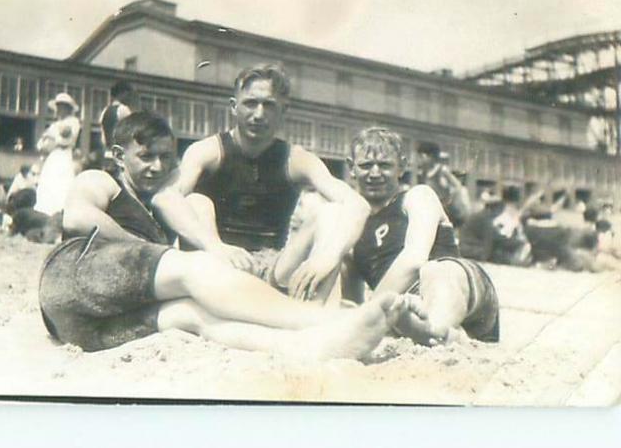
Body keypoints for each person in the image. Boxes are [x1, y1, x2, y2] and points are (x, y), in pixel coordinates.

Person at [43, 111, 408, 358]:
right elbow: (77, 217)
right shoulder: (102, 180)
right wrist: (152, 251)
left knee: (197, 318)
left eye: (166, 157)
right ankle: (323, 320)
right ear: (120, 156)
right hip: (73, 279)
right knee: (194, 267)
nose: (158, 166)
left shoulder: (155, 208)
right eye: (146, 156)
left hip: (91, 327)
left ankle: (310, 346)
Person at [151, 64, 371, 303]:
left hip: (273, 268)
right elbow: (165, 198)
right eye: (250, 103)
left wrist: (328, 256)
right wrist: (216, 247)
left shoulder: (296, 159)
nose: (258, 114)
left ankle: (317, 314)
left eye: (269, 105)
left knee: (331, 212)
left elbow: (357, 205)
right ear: (234, 107)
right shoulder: (208, 151)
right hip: (216, 262)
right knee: (196, 201)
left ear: (283, 110)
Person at [344, 127, 500, 345]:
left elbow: (414, 259)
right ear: (351, 168)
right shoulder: (353, 223)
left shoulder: (417, 197)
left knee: (434, 270)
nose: (375, 173)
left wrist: (369, 312)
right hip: (406, 309)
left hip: (458, 291)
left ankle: (435, 329)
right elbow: (351, 294)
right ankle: (438, 334)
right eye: (366, 165)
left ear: (402, 167)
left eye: (385, 165)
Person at [34, 92, 81, 216]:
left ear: (69, 108)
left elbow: (67, 140)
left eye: (63, 106)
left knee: (63, 183)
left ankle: (61, 212)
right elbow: (41, 143)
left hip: (64, 155)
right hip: (52, 156)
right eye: (59, 106)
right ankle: (45, 213)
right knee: (48, 182)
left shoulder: (73, 122)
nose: (60, 109)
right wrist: (48, 141)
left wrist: (53, 139)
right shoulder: (54, 125)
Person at [416, 141, 471, 227]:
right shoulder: (423, 173)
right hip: (430, 209)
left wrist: (449, 200)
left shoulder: (442, 171)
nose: (419, 159)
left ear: (430, 157)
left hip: (445, 211)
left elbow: (458, 187)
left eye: (422, 156)